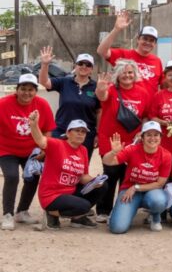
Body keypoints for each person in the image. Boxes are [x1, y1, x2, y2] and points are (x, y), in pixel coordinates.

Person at [94, 60, 152, 223]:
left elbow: (146, 115)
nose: (127, 76)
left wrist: (144, 131)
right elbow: (102, 96)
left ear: (135, 75)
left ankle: (121, 209)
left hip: (132, 140)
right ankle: (103, 210)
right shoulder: (111, 90)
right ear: (118, 74)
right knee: (110, 173)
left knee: (127, 176)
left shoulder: (143, 92)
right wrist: (100, 88)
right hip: (111, 140)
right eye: (124, 72)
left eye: (130, 72)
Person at [30, 114, 105, 230]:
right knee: (85, 207)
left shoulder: (83, 150)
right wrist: (34, 125)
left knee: (102, 186)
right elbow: (40, 140)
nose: (80, 133)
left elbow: (82, 176)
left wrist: (95, 181)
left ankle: (77, 218)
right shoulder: (57, 144)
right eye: (77, 131)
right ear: (68, 133)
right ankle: (51, 213)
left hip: (70, 191)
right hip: (52, 195)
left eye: (83, 132)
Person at [0, 74, 55, 230]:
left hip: (31, 150)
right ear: (16, 90)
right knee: (11, 176)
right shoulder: (3, 104)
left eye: (31, 89)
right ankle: (8, 215)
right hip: (6, 149)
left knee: (32, 177)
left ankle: (22, 212)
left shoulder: (42, 105)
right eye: (23, 89)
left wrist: (44, 150)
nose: (27, 93)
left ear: (35, 91)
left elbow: (49, 130)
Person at [103, 121, 172, 234]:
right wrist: (113, 152)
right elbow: (107, 162)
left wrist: (136, 187)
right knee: (117, 228)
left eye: (156, 135)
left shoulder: (166, 155)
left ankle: (155, 217)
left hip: (151, 190)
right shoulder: (132, 150)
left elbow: (160, 183)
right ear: (142, 137)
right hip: (129, 191)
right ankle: (122, 211)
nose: (152, 138)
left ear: (160, 137)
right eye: (148, 135)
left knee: (159, 201)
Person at [38, 48, 100, 159]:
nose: (84, 67)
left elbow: (100, 111)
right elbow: (44, 82)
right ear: (75, 66)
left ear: (91, 69)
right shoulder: (64, 82)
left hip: (85, 134)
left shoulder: (96, 87)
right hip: (62, 130)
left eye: (88, 65)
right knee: (56, 163)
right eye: (80, 63)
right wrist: (45, 64)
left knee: (79, 167)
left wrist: (98, 134)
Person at [96, 11, 163, 93]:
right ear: (138, 39)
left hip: (151, 105)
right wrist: (116, 29)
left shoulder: (157, 61)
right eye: (145, 39)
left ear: (155, 44)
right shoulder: (124, 55)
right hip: (129, 104)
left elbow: (163, 85)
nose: (148, 43)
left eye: (151, 40)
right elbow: (101, 51)